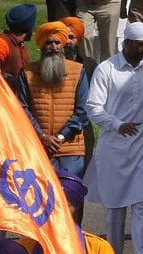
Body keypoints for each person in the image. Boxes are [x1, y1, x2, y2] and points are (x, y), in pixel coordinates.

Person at [86, 22, 143, 254]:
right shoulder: (107, 69)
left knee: (142, 205)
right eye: (140, 45)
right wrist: (117, 125)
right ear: (126, 43)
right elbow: (94, 107)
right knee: (114, 209)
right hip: (113, 148)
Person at [25, 19, 93, 178]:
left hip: (70, 147)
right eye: (49, 43)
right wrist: (42, 136)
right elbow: (22, 108)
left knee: (70, 197)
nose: (53, 47)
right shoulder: (27, 73)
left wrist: (61, 136)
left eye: (57, 42)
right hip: (37, 146)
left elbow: (83, 111)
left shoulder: (78, 71)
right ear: (42, 45)